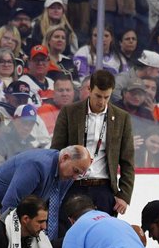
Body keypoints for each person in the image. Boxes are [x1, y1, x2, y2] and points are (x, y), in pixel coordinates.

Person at [50, 69, 134, 217]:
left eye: (106, 97)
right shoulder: (69, 112)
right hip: (73, 186)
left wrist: (124, 195)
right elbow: (56, 152)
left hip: (104, 189)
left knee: (103, 231)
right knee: (70, 229)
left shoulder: (122, 118)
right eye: (98, 96)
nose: (102, 102)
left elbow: (128, 160)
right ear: (89, 89)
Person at [0, 145, 91, 240]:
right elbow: (10, 204)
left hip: (2, 206)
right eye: (76, 171)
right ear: (65, 158)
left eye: (80, 174)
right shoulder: (36, 165)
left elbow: (52, 209)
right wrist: (2, 243)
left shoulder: (69, 174)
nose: (76, 177)